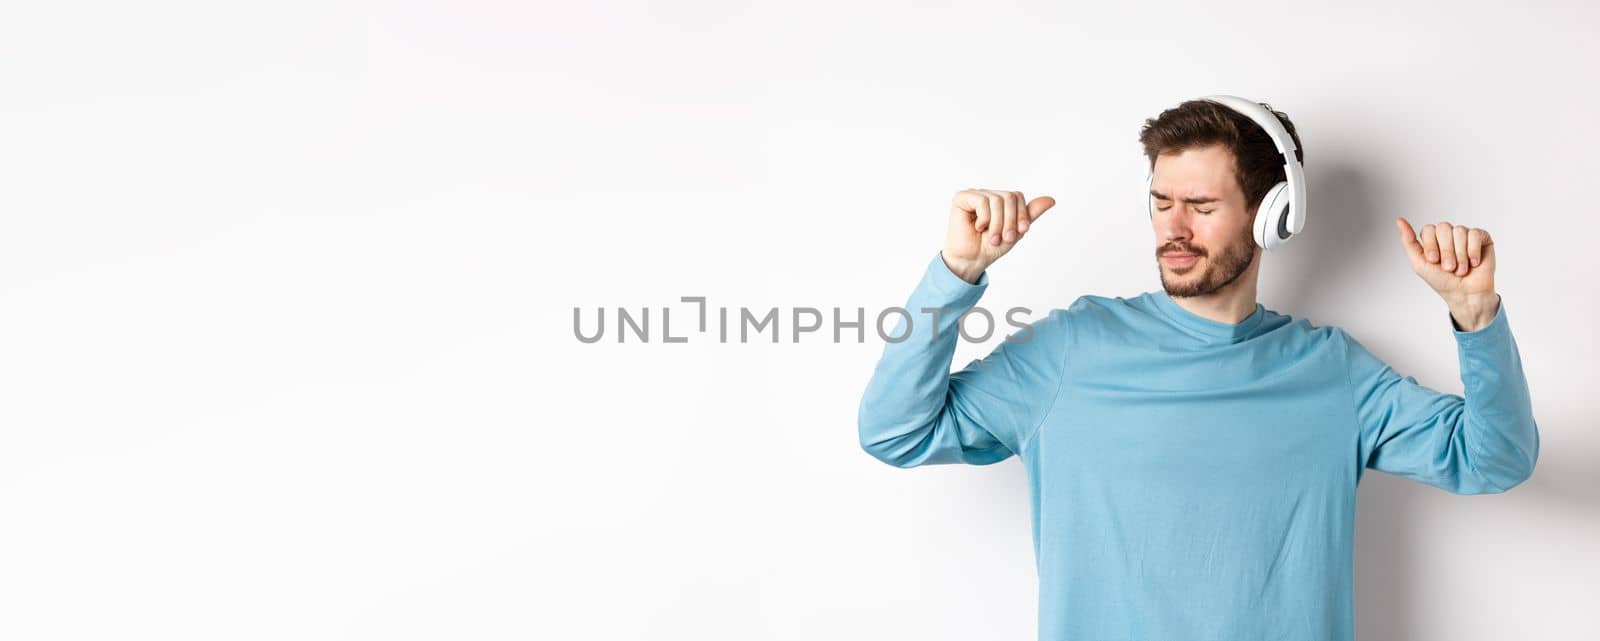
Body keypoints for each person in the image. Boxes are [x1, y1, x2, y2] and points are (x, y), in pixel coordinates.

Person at [855, 96, 1539, 641]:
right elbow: (894, 430)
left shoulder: (1334, 373)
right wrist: (955, 275)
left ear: (1272, 217)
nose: (1172, 228)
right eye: (1161, 202)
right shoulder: (1071, 348)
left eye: (1202, 206)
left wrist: (1477, 320)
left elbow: (1496, 458)